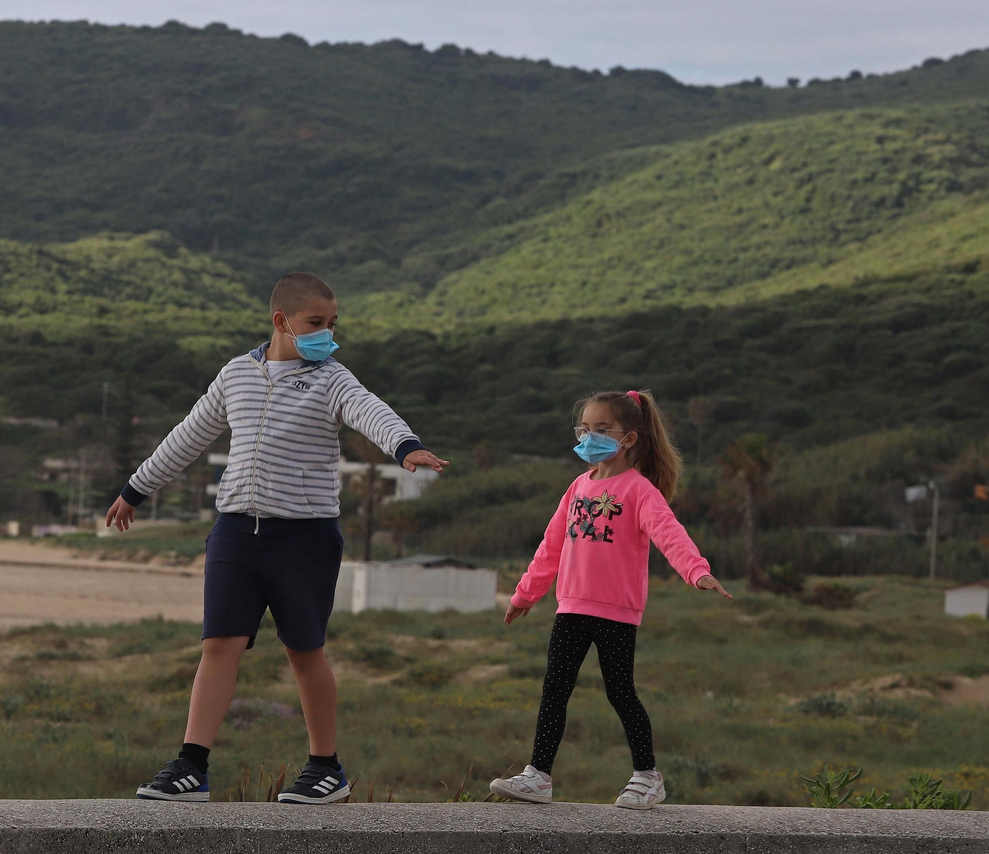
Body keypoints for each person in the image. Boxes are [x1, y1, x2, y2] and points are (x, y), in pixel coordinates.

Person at [107, 272, 448, 803]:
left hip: (304, 538)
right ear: (281, 321)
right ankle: (191, 765)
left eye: (333, 325)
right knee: (219, 644)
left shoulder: (333, 378)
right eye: (315, 324)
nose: (326, 335)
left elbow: (370, 411)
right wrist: (135, 489)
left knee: (304, 650)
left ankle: (325, 768)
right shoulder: (236, 375)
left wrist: (406, 447)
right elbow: (188, 435)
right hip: (236, 533)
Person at [489, 389, 732, 810]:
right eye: (585, 429)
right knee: (554, 689)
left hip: (616, 612)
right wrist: (526, 593)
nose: (589, 437)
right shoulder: (577, 487)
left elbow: (668, 532)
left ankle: (647, 776)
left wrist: (697, 571)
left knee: (620, 691)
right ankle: (538, 775)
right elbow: (551, 547)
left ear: (629, 439)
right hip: (571, 607)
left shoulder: (639, 490)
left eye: (602, 429)